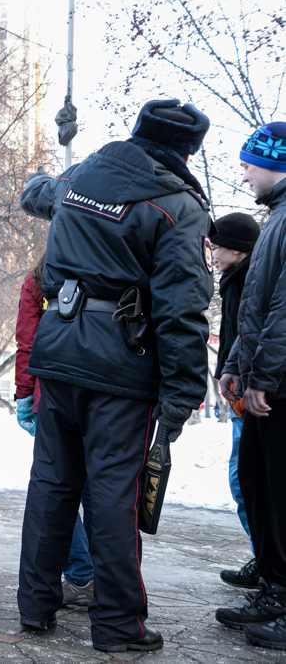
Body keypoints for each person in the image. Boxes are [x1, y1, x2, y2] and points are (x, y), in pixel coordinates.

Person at [18, 99, 214, 653]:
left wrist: (44, 174)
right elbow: (182, 309)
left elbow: (38, 192)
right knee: (112, 493)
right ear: (187, 151)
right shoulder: (177, 206)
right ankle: (117, 624)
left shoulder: (80, 178)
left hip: (58, 351)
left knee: (52, 484)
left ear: (136, 132)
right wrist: (182, 394)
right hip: (122, 366)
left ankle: (35, 605)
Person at [216, 122, 286, 649]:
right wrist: (239, 362)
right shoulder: (276, 220)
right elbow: (253, 311)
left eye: (248, 164)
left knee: (279, 492)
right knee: (260, 484)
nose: (243, 175)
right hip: (265, 381)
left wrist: (263, 375)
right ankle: (274, 590)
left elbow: (283, 311)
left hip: (279, 387)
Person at [14, 254, 95, 607]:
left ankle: (81, 573)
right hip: (106, 394)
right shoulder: (111, 265)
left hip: (53, 394)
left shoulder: (40, 278)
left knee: (56, 488)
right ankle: (99, 578)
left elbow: (28, 344)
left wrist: (23, 394)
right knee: (99, 490)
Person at [209, 213, 260, 589]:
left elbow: (252, 334)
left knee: (246, 480)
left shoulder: (248, 281)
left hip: (250, 394)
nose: (211, 251)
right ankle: (266, 557)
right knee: (245, 479)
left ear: (238, 250)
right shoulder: (234, 280)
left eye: (216, 244)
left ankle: (270, 561)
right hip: (238, 390)